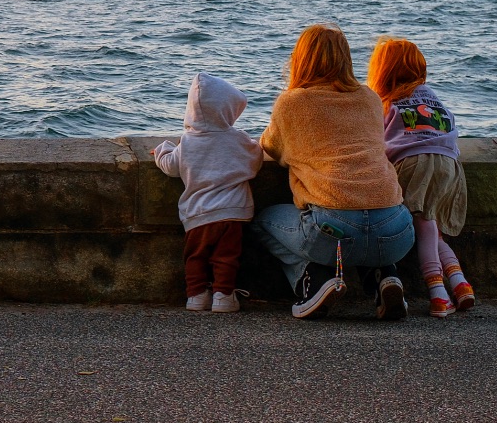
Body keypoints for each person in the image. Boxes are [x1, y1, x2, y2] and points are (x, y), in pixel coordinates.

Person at [252, 24, 416, 320]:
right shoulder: (370, 98)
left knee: (262, 221)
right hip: (397, 230)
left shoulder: (292, 102)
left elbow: (272, 147)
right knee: (369, 225)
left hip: (333, 233)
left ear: (300, 59)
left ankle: (314, 279)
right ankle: (383, 275)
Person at [367, 37, 476, 318]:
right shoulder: (432, 96)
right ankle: (460, 282)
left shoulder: (386, 102)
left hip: (413, 163)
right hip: (449, 164)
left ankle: (437, 294)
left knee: (423, 226)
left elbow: (376, 142)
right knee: (432, 228)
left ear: (382, 70)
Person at [153, 73, 265, 313]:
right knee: (227, 258)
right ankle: (223, 296)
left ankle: (195, 296)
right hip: (233, 212)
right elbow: (255, 160)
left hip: (198, 214)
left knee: (195, 257)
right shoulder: (239, 139)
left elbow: (170, 166)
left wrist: (163, 149)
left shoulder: (188, 142)